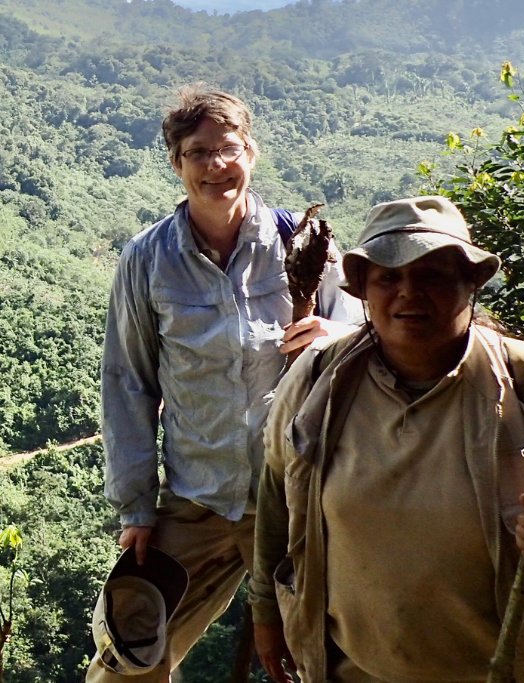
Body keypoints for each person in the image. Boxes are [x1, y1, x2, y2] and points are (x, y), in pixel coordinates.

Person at [249, 195, 524, 683]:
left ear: (471, 284)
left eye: (433, 274)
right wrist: (266, 611)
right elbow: (276, 496)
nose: (408, 292)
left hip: (511, 669)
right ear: (362, 291)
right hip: (353, 669)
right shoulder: (318, 380)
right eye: (388, 277)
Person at [86, 84, 362, 682]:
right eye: (197, 152)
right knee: (126, 667)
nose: (216, 165)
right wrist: (136, 505)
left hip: (296, 498)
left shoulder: (302, 241)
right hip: (196, 498)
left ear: (252, 152)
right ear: (176, 163)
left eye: (228, 147)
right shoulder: (147, 259)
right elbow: (127, 383)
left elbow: (367, 330)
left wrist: (332, 336)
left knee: (335, 662)